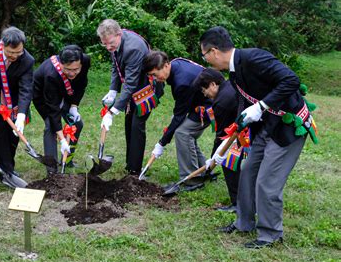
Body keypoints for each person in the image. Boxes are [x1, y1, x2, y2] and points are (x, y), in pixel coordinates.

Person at [200, 26, 316, 248]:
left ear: (214, 51)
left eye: (204, 55)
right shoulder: (233, 73)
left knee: (267, 182)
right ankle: (244, 222)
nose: (206, 61)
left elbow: (291, 80)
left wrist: (262, 106)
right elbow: (244, 106)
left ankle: (270, 234)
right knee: (247, 170)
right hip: (266, 126)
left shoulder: (255, 58)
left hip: (288, 127)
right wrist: (224, 146)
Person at [97, 19, 162, 175]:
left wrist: (112, 112)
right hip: (134, 87)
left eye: (110, 43)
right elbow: (116, 67)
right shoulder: (115, 43)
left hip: (146, 89)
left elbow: (131, 84)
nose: (108, 47)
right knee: (129, 124)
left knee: (136, 126)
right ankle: (130, 165)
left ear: (119, 34)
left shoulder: (133, 48)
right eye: (104, 44)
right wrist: (113, 90)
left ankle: (135, 171)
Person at [142, 51, 213, 185]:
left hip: (210, 106)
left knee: (183, 133)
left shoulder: (182, 82)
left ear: (166, 65)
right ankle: (204, 170)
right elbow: (180, 110)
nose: (155, 79)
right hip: (198, 103)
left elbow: (180, 115)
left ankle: (191, 179)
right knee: (186, 133)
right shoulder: (176, 64)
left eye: (155, 75)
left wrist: (162, 143)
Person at [0, 26, 34, 184]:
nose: (15, 56)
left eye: (18, 52)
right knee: (1, 131)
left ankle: (9, 166)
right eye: (11, 53)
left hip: (15, 102)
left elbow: (26, 88)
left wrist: (22, 115)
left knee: (14, 134)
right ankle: (5, 172)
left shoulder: (27, 60)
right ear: (3, 45)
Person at [33, 45, 90, 172]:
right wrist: (63, 139)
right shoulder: (50, 74)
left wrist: (74, 106)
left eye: (76, 69)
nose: (72, 73)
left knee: (77, 124)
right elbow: (53, 109)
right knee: (50, 126)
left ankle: (67, 159)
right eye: (68, 69)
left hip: (66, 91)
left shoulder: (85, 61)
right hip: (43, 95)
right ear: (61, 63)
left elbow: (81, 84)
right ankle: (52, 170)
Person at [193, 68, 240, 211]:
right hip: (243, 129)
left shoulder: (221, 101)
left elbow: (222, 135)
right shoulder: (230, 85)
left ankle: (237, 204)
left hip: (244, 133)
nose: (205, 95)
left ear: (213, 84)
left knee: (228, 160)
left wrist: (214, 157)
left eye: (204, 90)